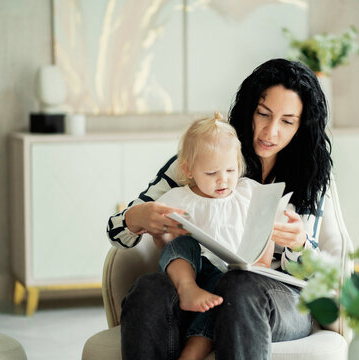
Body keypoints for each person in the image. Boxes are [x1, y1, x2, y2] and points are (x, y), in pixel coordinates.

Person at [107, 58, 334, 359]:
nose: (271, 131)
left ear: (302, 125)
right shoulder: (205, 153)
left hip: (276, 299)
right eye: (263, 114)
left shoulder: (311, 175)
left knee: (238, 286)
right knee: (148, 288)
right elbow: (117, 231)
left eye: (287, 121)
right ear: (249, 109)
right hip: (198, 284)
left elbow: (313, 274)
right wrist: (136, 217)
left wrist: (300, 244)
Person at [149, 112, 271, 359]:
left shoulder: (247, 193)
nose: (223, 180)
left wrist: (260, 264)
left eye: (230, 169)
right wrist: (164, 238)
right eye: (211, 173)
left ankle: (192, 353)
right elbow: (163, 241)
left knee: (222, 294)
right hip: (191, 271)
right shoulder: (179, 199)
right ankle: (187, 289)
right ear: (189, 169)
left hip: (228, 277)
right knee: (183, 243)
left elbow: (265, 230)